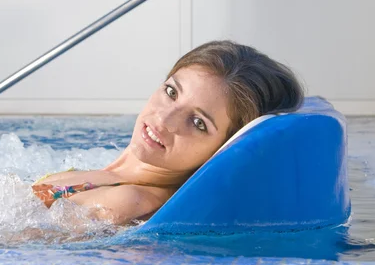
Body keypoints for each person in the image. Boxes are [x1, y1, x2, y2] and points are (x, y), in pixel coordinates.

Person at [32, 40, 304, 225]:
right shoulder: (118, 177)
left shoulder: (127, 202)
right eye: (172, 92)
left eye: (198, 123)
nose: (164, 119)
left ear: (223, 150)